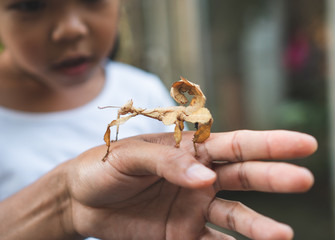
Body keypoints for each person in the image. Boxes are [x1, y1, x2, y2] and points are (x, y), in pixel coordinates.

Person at [0, 0, 317, 239]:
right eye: (30, 5)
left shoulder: (142, 87)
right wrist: (65, 202)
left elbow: (174, 193)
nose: (72, 29)